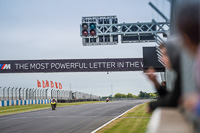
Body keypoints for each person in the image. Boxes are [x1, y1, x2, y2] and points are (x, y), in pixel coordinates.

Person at [146, 38, 182, 112]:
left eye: (165, 54)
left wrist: (151, 105)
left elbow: (172, 102)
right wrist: (155, 82)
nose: (162, 59)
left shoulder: (184, 74)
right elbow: (170, 97)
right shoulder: (181, 72)